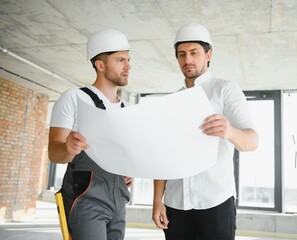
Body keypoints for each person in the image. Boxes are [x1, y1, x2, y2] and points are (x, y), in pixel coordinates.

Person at [152, 22, 258, 240]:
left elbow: (252, 142)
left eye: (194, 53)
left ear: (208, 54)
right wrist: (157, 201)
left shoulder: (226, 90)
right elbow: (163, 155)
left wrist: (230, 132)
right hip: (175, 203)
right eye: (181, 54)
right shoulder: (172, 100)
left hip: (215, 201)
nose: (187, 60)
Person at [48, 29, 133, 240]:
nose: (128, 66)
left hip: (119, 201)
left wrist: (128, 171)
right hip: (86, 200)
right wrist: (67, 149)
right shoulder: (74, 98)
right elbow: (53, 152)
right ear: (100, 65)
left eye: (128, 60)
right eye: (120, 60)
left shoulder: (126, 109)